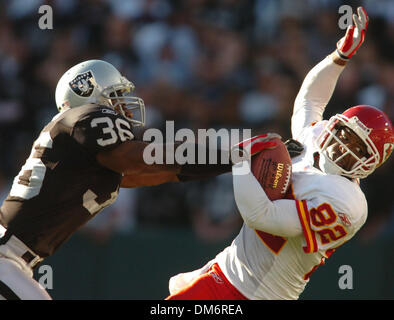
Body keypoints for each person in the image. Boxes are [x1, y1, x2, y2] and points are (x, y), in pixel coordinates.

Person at [166, 7, 394, 300]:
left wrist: (241, 160)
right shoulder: (314, 139)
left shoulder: (347, 204)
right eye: (345, 134)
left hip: (249, 293)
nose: (343, 146)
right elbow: (309, 101)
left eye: (358, 148)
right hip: (228, 270)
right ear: (335, 127)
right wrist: (340, 56)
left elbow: (262, 215)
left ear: (370, 163)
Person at [0, 59, 237, 299]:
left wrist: (230, 162)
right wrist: (233, 157)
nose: (124, 107)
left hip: (14, 259)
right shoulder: (84, 117)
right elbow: (146, 158)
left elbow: (151, 173)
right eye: (116, 95)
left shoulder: (82, 149)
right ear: (90, 94)